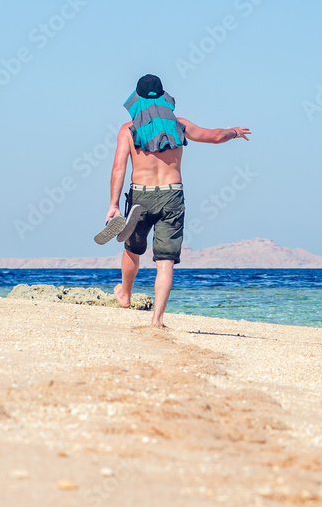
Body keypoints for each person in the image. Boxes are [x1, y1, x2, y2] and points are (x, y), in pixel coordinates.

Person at [105, 74, 251, 328]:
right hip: (172, 195)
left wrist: (114, 205)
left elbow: (118, 169)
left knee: (132, 249)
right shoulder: (178, 124)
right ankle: (157, 320)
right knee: (165, 261)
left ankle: (125, 294)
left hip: (141, 194)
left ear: (136, 99)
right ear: (163, 96)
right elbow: (215, 136)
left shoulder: (127, 130)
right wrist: (234, 132)